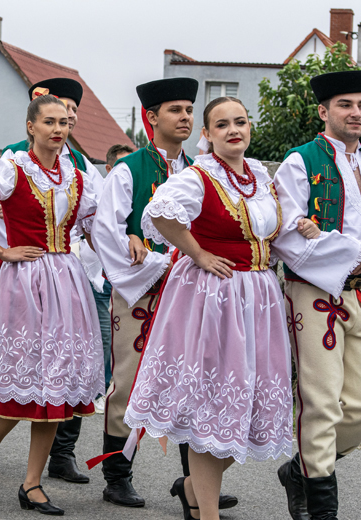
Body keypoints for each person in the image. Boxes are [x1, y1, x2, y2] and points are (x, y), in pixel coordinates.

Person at [123, 96, 294, 520]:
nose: (233, 130)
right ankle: (208, 513)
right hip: (215, 298)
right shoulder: (200, 175)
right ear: (208, 134)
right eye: (222, 125)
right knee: (212, 409)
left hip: (259, 298)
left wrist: (300, 224)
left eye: (240, 122)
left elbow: (274, 225)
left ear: (250, 127)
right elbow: (160, 213)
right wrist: (197, 253)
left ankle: (190, 487)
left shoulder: (260, 174)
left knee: (252, 408)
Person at [0, 94, 104, 515]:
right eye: (49, 121)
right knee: (26, 379)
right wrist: (1, 250)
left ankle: (32, 483)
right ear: (30, 126)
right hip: (24, 282)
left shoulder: (77, 175)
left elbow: (92, 228)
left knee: (55, 386)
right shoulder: (12, 168)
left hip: (66, 281)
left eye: (64, 123)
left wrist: (127, 247)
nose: (58, 129)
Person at [90, 78, 237, 510]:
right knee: (129, 382)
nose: (186, 118)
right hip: (142, 293)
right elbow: (107, 231)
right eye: (176, 110)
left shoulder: (205, 169)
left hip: (191, 292)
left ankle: (195, 483)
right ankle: (117, 475)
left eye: (190, 110)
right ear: (151, 117)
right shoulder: (128, 169)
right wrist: (156, 262)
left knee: (193, 383)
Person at [271, 70, 361, 520]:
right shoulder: (299, 162)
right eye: (346, 105)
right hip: (313, 294)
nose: (356, 113)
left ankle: (300, 470)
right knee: (321, 402)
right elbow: (290, 238)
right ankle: (321, 510)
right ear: (324, 111)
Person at [86, 143, 133, 413]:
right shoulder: (98, 193)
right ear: (109, 168)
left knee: (124, 340)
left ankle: (122, 391)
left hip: (127, 279)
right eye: (121, 166)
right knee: (104, 338)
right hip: (100, 278)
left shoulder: (135, 192)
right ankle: (100, 391)